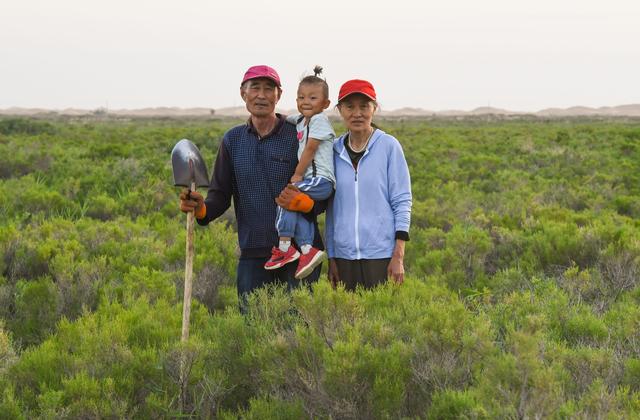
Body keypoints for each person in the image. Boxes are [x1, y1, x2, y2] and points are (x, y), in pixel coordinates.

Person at [179, 65, 324, 312]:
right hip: (253, 252)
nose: (261, 95)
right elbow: (220, 195)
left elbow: (323, 185)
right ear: (243, 93)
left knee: (299, 334)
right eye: (254, 88)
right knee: (254, 333)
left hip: (300, 253)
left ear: (279, 95)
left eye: (269, 89)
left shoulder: (298, 135)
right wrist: (201, 209)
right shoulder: (232, 141)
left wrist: (309, 204)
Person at [324, 79, 412, 290]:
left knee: (382, 320)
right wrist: (332, 256)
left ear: (374, 108)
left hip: (382, 256)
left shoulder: (389, 146)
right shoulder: (333, 150)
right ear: (340, 110)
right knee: (346, 320)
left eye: (364, 106)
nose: (357, 113)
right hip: (344, 257)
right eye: (350, 106)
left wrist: (398, 255)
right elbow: (331, 210)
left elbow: (402, 200)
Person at [265, 66, 335, 279]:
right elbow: (289, 118)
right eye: (301, 97)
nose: (305, 101)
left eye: (313, 98)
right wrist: (276, 116)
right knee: (297, 209)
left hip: (319, 180)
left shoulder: (319, 120)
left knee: (286, 199)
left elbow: (311, 149)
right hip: (314, 181)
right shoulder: (303, 120)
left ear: (325, 104)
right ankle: (307, 249)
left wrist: (297, 174)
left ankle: (285, 248)